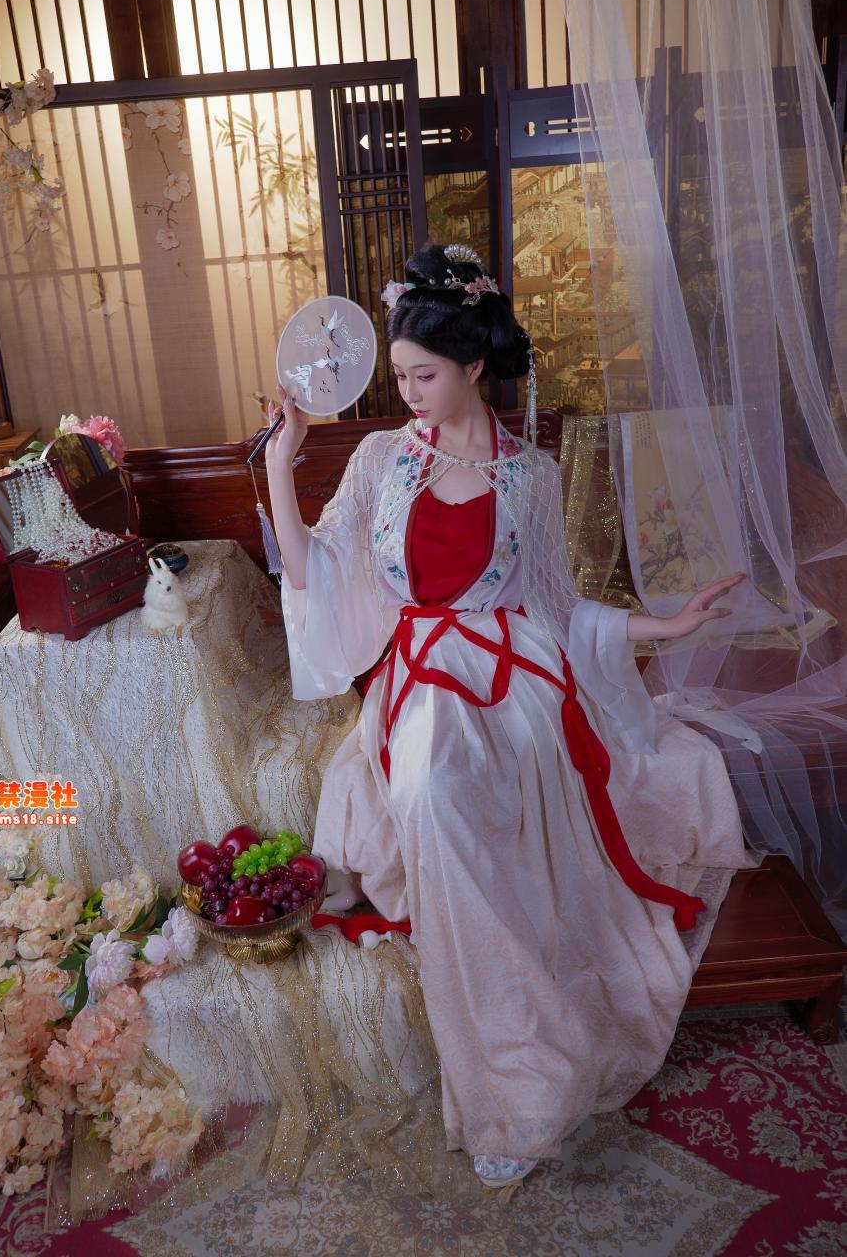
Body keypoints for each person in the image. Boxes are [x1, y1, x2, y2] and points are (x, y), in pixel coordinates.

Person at [265, 242, 755, 1190]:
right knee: (432, 794)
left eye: (424, 375)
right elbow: (313, 565)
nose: (407, 393)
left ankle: (519, 1065)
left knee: (483, 801)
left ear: (473, 365)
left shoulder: (529, 475)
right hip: (422, 676)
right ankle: (508, 1075)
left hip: (516, 673)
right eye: (399, 375)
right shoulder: (378, 459)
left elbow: (557, 607)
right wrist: (283, 465)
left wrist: (665, 624)